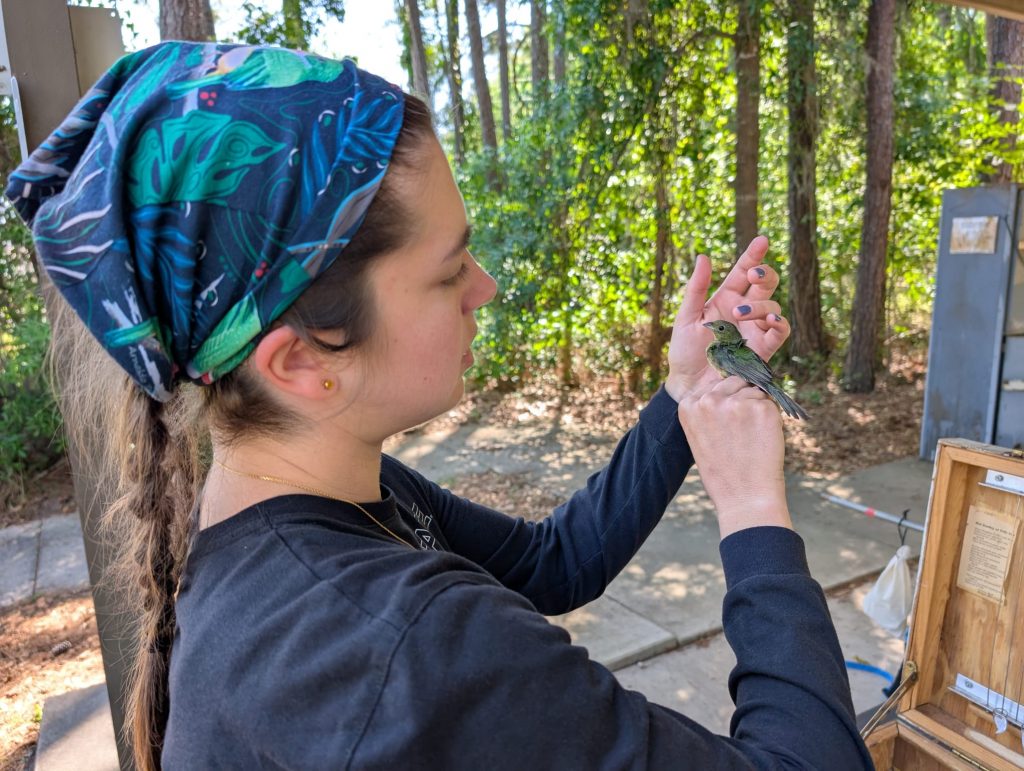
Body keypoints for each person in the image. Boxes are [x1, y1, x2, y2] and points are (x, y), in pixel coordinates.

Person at [7, 42, 872, 770]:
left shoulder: (311, 514)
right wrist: (756, 509)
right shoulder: (408, 648)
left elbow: (554, 562)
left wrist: (686, 394)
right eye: (451, 269)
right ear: (303, 358)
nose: (484, 288)